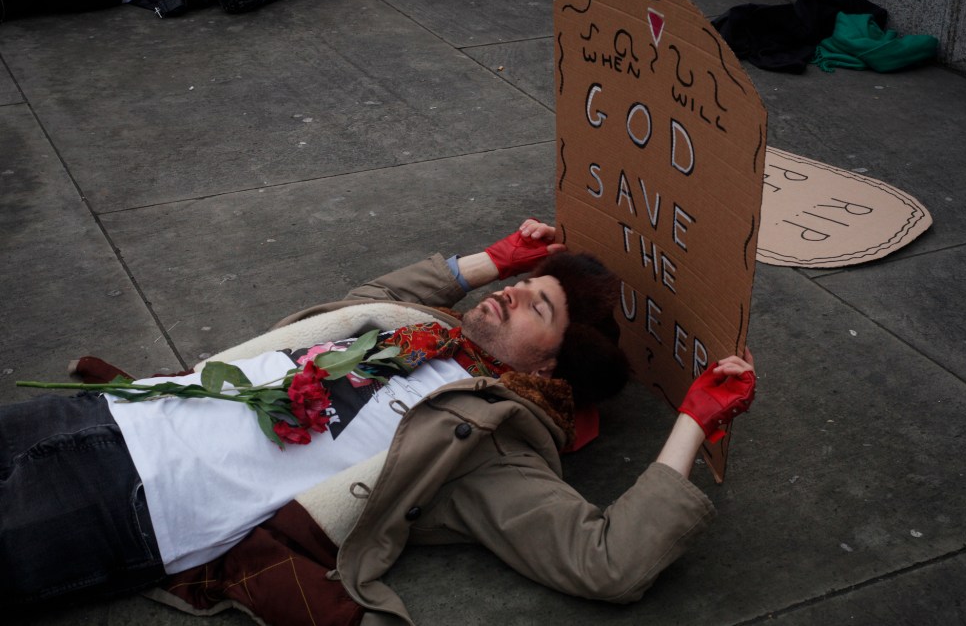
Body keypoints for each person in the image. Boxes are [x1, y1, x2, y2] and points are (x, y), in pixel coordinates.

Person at [1, 219, 755, 625]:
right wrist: (491, 259)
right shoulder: (425, 327)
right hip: (121, 410)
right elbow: (359, 299)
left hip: (140, 504)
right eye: (522, 285)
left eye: (538, 306)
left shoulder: (494, 445)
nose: (513, 296)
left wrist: (690, 422)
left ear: (551, 368)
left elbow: (607, 560)